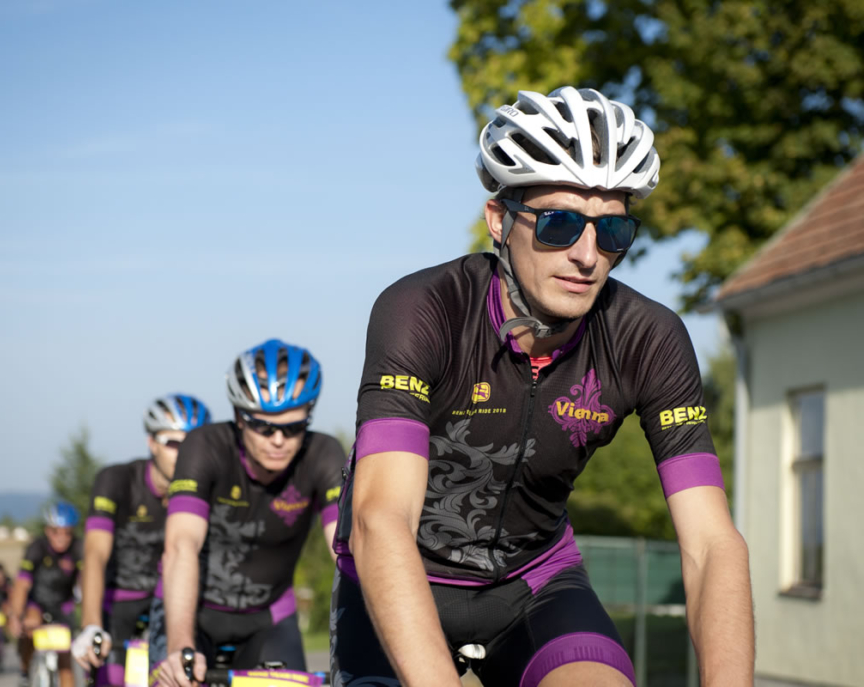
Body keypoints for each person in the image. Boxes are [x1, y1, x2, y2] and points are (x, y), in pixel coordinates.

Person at [330, 86, 754, 686]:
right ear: (499, 220)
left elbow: (711, 544)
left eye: (613, 231)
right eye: (560, 224)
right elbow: (381, 518)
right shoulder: (423, 310)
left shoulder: (648, 339)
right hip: (399, 575)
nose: (587, 255)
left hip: (534, 585)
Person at [151, 339, 346, 687]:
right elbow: (181, 546)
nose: (278, 440)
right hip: (190, 611)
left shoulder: (323, 453)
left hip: (269, 618)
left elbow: (347, 552)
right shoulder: (204, 446)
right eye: (264, 426)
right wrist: (180, 646)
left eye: (293, 427)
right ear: (240, 417)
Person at [71, 394, 212, 686]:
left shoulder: (209, 487)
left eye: (192, 445)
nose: (184, 454)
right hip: (118, 601)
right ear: (151, 443)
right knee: (110, 678)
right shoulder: (116, 480)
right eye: (173, 443)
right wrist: (91, 624)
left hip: (171, 601)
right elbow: (95, 554)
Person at [9, 502, 83, 687]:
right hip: (37, 603)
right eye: (56, 532)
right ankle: (25, 671)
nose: (62, 538)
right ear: (47, 530)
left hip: (63, 604)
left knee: (65, 661)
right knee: (29, 627)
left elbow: (86, 582)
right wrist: (16, 615)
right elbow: (22, 584)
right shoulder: (36, 547)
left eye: (67, 532)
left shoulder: (78, 548)